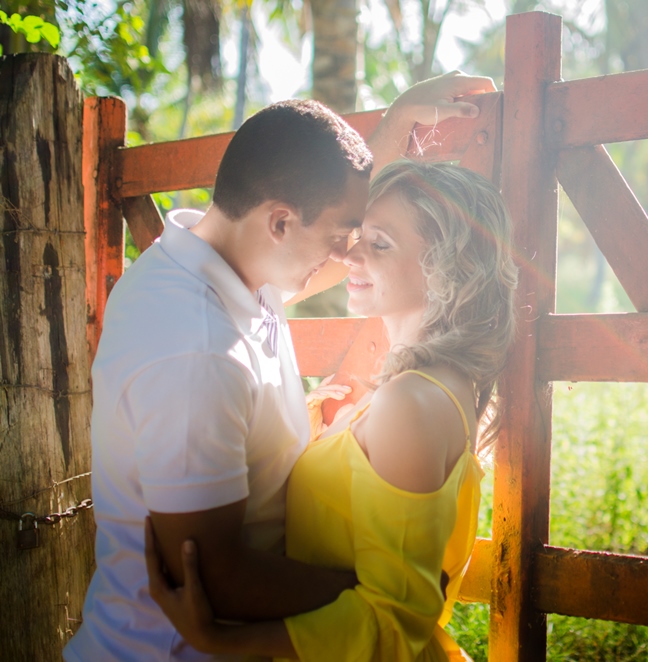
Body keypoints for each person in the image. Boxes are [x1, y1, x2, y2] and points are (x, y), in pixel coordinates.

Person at [64, 72, 495, 662]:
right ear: (280, 222)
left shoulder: (234, 270)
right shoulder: (196, 347)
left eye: (365, 236)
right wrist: (388, 598)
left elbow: (343, 256)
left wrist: (395, 128)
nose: (348, 253)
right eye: (344, 234)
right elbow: (214, 580)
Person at [145, 160, 518, 661]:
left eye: (379, 244)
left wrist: (222, 639)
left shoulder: (411, 403)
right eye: (358, 235)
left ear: (449, 269)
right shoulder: (415, 388)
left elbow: (396, 620)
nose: (350, 254)